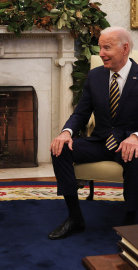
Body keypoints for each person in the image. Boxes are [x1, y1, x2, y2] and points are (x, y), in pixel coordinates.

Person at [49, 26, 138, 240]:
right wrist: (67, 132)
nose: (101, 54)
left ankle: (131, 223)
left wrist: (135, 136)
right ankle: (74, 217)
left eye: (107, 48)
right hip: (100, 141)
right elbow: (81, 112)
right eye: (101, 48)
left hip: (129, 142)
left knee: (136, 157)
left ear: (125, 48)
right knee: (60, 149)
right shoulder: (95, 76)